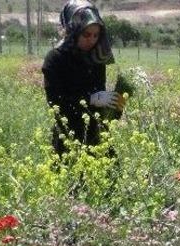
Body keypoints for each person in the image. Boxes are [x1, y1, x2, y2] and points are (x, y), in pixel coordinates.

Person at [42, 1, 122, 156]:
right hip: (68, 137)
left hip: (96, 135)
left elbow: (99, 94)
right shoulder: (55, 59)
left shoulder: (96, 58)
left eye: (96, 35)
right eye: (86, 34)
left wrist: (115, 105)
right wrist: (90, 99)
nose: (91, 40)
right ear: (73, 31)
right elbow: (55, 101)